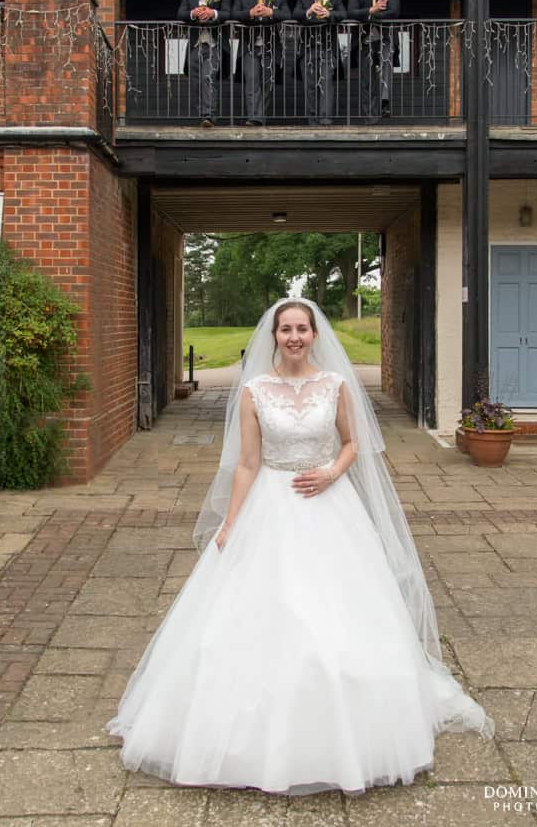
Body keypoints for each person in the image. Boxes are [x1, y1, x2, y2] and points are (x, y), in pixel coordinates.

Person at [106, 298, 494, 795]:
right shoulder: (253, 391)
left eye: (302, 329)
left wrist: (332, 472)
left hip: (328, 508)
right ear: (274, 335)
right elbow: (247, 463)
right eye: (285, 329)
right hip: (270, 503)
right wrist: (231, 522)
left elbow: (354, 444)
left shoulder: (334, 386)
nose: (293, 337)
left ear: (315, 335)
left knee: (340, 613)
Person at [232, 0, 290, 126]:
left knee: (267, 83)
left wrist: (272, 13)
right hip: (249, 46)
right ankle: (254, 118)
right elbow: (234, 14)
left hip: (270, 47)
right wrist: (249, 13)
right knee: (252, 81)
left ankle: (259, 117)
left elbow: (287, 14)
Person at [177, 0, 231, 128]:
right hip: (196, 45)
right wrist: (194, 13)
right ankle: (202, 115)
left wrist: (212, 13)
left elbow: (228, 12)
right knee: (196, 81)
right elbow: (181, 13)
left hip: (214, 44)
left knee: (208, 77)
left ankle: (209, 115)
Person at [347, 0, 400, 123]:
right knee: (366, 80)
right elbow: (351, 12)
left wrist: (368, 14)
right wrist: (372, 9)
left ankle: (385, 101)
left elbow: (394, 11)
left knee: (385, 69)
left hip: (385, 37)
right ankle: (368, 117)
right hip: (365, 38)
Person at [292, 0, 346, 125]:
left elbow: (343, 14)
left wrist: (330, 14)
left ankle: (325, 119)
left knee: (326, 83)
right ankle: (312, 120)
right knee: (309, 86)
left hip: (327, 47)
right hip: (307, 49)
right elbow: (295, 14)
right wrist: (309, 11)